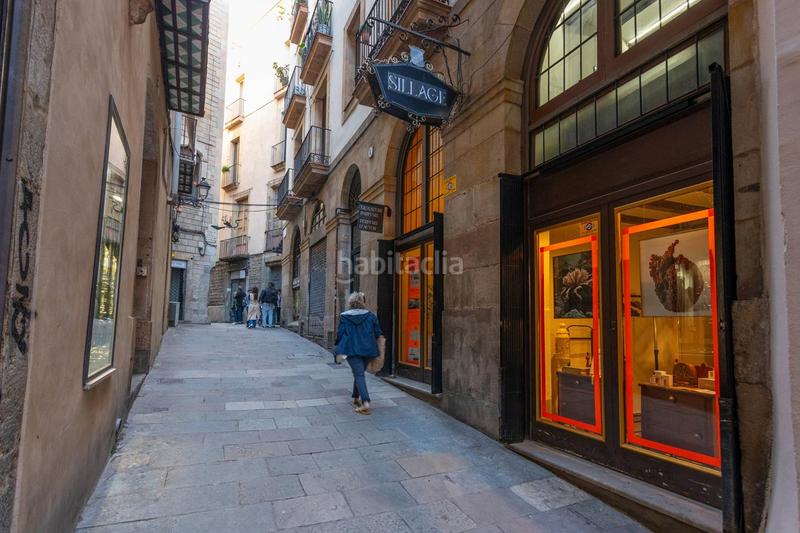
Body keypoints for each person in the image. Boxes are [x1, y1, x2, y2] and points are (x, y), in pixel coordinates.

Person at [334, 292, 382, 415]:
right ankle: (356, 396)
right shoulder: (371, 316)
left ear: (351, 303)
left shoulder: (344, 316)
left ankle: (365, 402)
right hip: (368, 350)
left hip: (351, 349)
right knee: (359, 372)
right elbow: (377, 332)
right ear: (363, 302)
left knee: (359, 373)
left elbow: (340, 333)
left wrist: (337, 344)